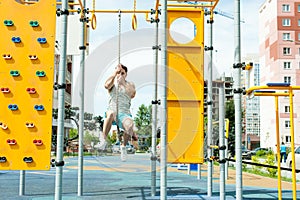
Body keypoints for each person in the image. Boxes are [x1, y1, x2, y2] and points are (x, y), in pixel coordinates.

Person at [99, 64, 138, 161]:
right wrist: (115, 74)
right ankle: (103, 139)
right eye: (118, 72)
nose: (120, 74)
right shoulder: (112, 81)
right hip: (113, 110)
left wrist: (123, 83)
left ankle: (123, 146)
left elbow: (132, 94)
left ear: (126, 74)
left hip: (124, 113)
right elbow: (106, 86)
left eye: (122, 73)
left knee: (130, 125)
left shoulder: (130, 84)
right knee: (111, 113)